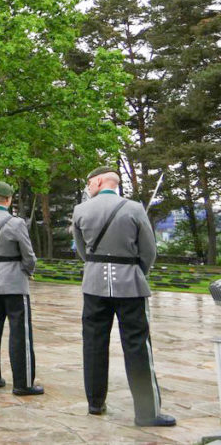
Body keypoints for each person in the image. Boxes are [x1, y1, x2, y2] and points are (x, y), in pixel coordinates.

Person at [73, 166, 174, 427]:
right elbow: (149, 251)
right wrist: (136, 272)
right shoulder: (134, 209)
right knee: (137, 346)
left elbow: (82, 251)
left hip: (94, 285)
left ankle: (95, 403)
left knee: (93, 344)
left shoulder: (81, 210)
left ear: (98, 181)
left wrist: (96, 266)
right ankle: (146, 412)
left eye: (89, 182)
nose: (88, 186)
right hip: (130, 284)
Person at [0, 181, 42, 395]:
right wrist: (27, 271)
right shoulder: (16, 223)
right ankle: (23, 383)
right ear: (9, 199)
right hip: (13, 279)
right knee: (20, 332)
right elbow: (28, 255)